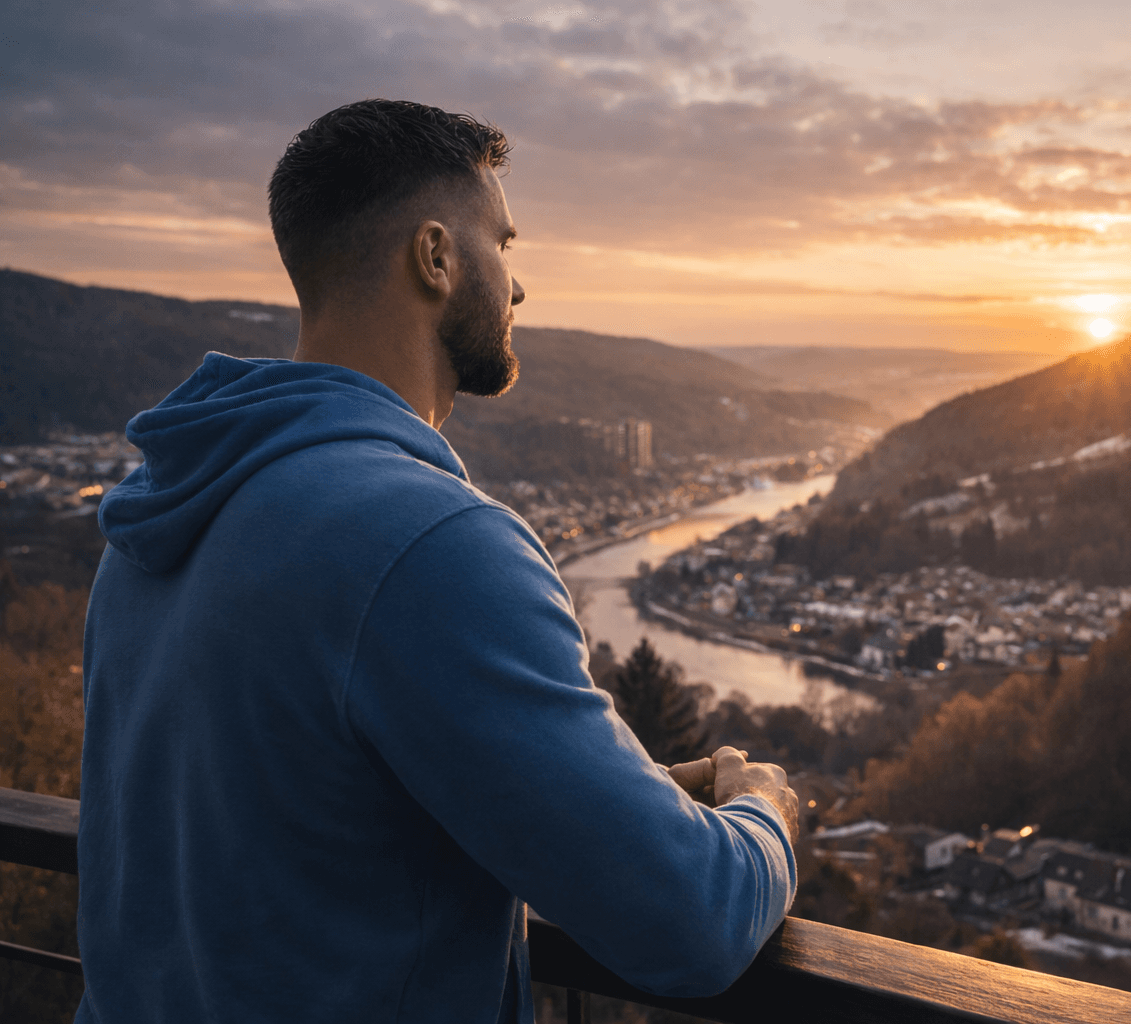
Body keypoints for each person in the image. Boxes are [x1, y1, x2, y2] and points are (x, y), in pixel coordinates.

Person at [75, 99, 798, 1023]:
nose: (519, 287)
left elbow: (281, 812)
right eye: (504, 243)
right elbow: (692, 921)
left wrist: (625, 795)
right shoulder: (431, 543)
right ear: (436, 257)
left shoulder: (157, 516)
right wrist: (763, 812)